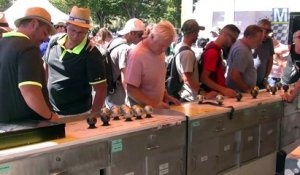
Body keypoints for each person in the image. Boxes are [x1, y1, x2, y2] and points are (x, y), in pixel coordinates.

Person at [43, 6, 107, 116]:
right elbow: (46, 66)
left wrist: (93, 116)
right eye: (72, 30)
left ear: (87, 31)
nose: (76, 35)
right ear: (66, 26)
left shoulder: (92, 54)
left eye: (81, 32)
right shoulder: (54, 41)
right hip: (50, 110)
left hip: (77, 114)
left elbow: (101, 89)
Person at [0, 7, 59, 122]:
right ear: (34, 24)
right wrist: (51, 117)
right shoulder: (29, 48)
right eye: (44, 32)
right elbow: (30, 91)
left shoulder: (2, 43)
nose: (45, 38)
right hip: (29, 127)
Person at [125, 20, 180, 108]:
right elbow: (131, 89)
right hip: (141, 112)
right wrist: (154, 104)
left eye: (166, 47)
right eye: (161, 46)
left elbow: (157, 81)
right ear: (152, 36)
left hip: (157, 111)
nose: (163, 50)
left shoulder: (160, 52)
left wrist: (166, 96)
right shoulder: (137, 55)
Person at [105, 18, 145, 108]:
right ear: (131, 33)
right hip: (120, 100)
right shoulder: (125, 49)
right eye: (140, 34)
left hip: (111, 95)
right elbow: (125, 79)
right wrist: (130, 101)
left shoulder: (113, 43)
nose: (142, 37)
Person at [201, 24, 240, 97]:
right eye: (233, 39)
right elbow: (204, 78)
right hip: (214, 96)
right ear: (225, 35)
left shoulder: (217, 50)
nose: (233, 43)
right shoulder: (213, 52)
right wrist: (223, 90)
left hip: (218, 94)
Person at [226, 25, 263, 92]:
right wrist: (247, 89)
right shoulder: (242, 51)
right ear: (249, 37)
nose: (260, 43)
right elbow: (235, 75)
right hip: (239, 93)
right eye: (258, 40)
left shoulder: (240, 44)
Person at [174, 19, 204, 101]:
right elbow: (187, 78)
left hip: (184, 94)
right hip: (189, 97)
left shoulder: (178, 46)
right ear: (193, 33)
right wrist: (201, 92)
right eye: (197, 33)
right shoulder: (188, 53)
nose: (198, 35)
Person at [253, 19, 275, 89]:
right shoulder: (250, 40)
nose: (265, 33)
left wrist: (266, 77)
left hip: (261, 82)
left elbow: (270, 60)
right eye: (262, 30)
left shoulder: (269, 41)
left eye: (268, 31)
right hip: (247, 84)